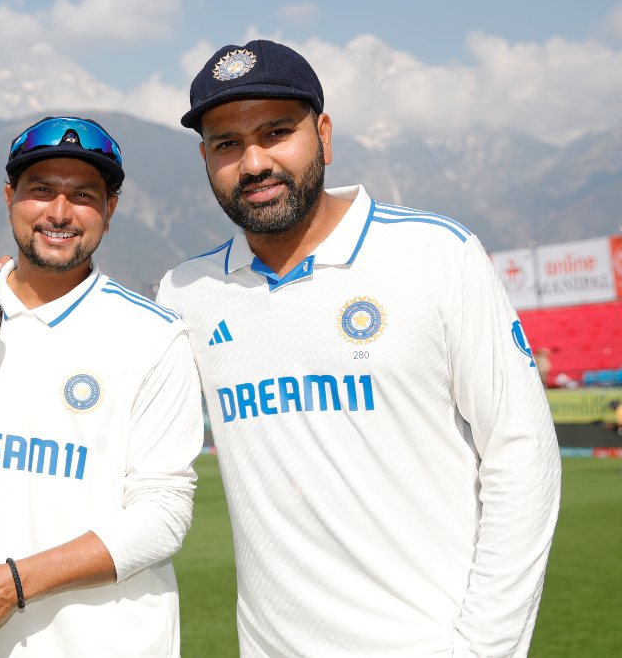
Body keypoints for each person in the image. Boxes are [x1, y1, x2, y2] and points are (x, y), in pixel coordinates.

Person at [157, 40, 562, 656]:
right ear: (206, 159)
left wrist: (485, 648)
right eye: (227, 145)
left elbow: (523, 454)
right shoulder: (187, 292)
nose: (255, 162)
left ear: (323, 133)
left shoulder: (435, 255)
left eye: (276, 132)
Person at [0, 117, 204, 656]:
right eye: (41, 191)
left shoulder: (154, 335)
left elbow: (163, 515)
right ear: (10, 197)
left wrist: (12, 584)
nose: (59, 213)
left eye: (83, 196)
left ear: (110, 210)